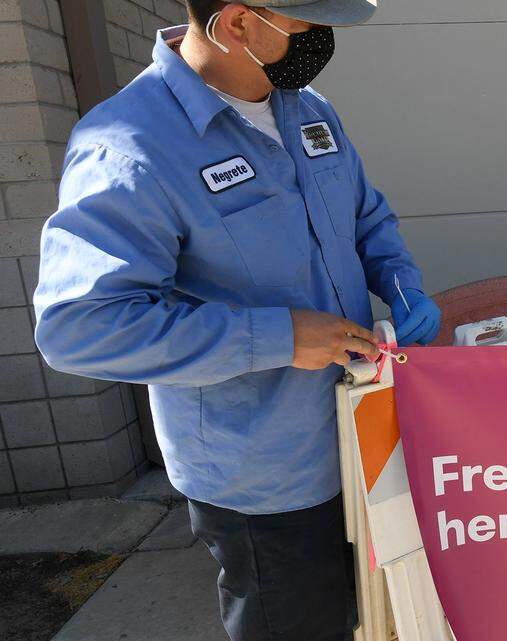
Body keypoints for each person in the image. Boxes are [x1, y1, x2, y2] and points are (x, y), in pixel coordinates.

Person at [33, 1, 441, 638]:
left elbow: (366, 218)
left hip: (362, 436)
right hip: (262, 473)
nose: (322, 41)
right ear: (237, 24)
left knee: (376, 619)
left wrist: (402, 285)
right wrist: (279, 337)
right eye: (306, 26)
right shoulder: (130, 146)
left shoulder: (309, 110)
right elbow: (80, 327)